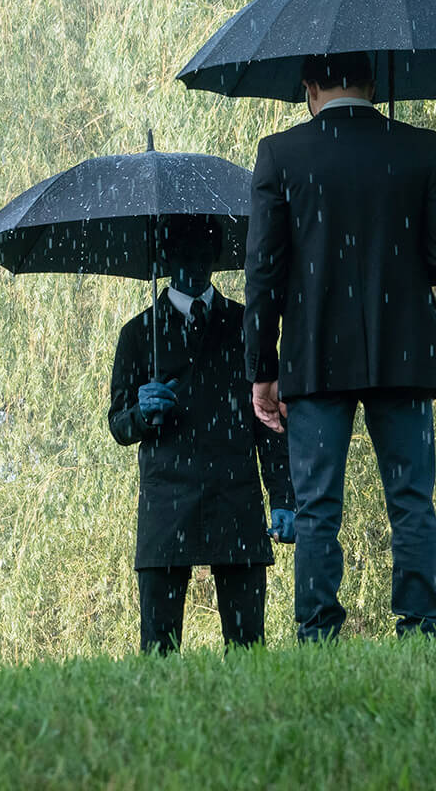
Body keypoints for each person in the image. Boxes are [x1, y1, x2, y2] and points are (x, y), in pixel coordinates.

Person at [244, 52, 436, 641]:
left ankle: (319, 631)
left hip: (315, 356)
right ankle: (419, 624)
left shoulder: (281, 155)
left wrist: (260, 369)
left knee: (318, 505)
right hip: (404, 352)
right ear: (373, 82)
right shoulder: (422, 148)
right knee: (412, 499)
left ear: (310, 86)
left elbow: (263, 275)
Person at [108, 218, 295, 654]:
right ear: (167, 257)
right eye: (182, 252)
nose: (192, 263)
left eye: (202, 251)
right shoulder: (138, 334)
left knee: (249, 647)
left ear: (216, 255)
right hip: (166, 501)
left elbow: (268, 420)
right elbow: (118, 424)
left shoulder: (247, 326)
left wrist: (285, 497)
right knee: (159, 650)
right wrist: (142, 412)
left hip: (236, 493)